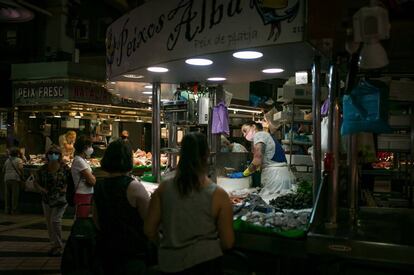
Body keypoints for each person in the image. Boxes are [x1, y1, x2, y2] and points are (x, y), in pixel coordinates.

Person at [145, 132, 234, 274]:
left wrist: (167, 245)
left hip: (169, 264)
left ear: (181, 155)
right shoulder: (219, 195)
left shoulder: (163, 189)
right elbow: (228, 242)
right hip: (206, 264)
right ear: (206, 155)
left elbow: (149, 230)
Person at [93, 139, 150, 274]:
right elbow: (149, 221)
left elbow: (96, 221)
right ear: (128, 160)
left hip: (106, 252)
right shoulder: (134, 187)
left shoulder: (99, 186)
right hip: (132, 254)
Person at [241, 121, 295, 200]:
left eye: (245, 131)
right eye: (243, 134)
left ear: (253, 126)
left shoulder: (259, 135)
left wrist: (244, 174)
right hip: (280, 175)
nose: (244, 135)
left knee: (273, 205)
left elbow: (257, 160)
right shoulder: (265, 135)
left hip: (276, 177)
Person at [34, 145, 70, 256]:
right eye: (51, 153)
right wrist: (41, 189)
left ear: (59, 155)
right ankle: (53, 245)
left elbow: (71, 181)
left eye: (56, 153)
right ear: (47, 155)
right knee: (49, 223)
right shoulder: (42, 169)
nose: (53, 155)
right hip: (47, 199)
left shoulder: (65, 168)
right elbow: (36, 182)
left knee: (55, 221)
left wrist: (65, 189)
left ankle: (59, 246)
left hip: (61, 199)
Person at [71, 136, 96, 218]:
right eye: (90, 146)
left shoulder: (82, 160)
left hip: (86, 194)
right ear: (84, 148)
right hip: (82, 195)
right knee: (82, 219)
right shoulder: (79, 161)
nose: (91, 149)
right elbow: (92, 181)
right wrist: (93, 178)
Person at [3, 147, 24, 214]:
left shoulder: (7, 160)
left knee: (7, 195)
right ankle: (14, 210)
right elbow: (21, 168)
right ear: (17, 153)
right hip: (15, 178)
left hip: (7, 178)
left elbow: (3, 170)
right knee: (14, 195)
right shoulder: (19, 160)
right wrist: (22, 175)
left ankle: (7, 209)